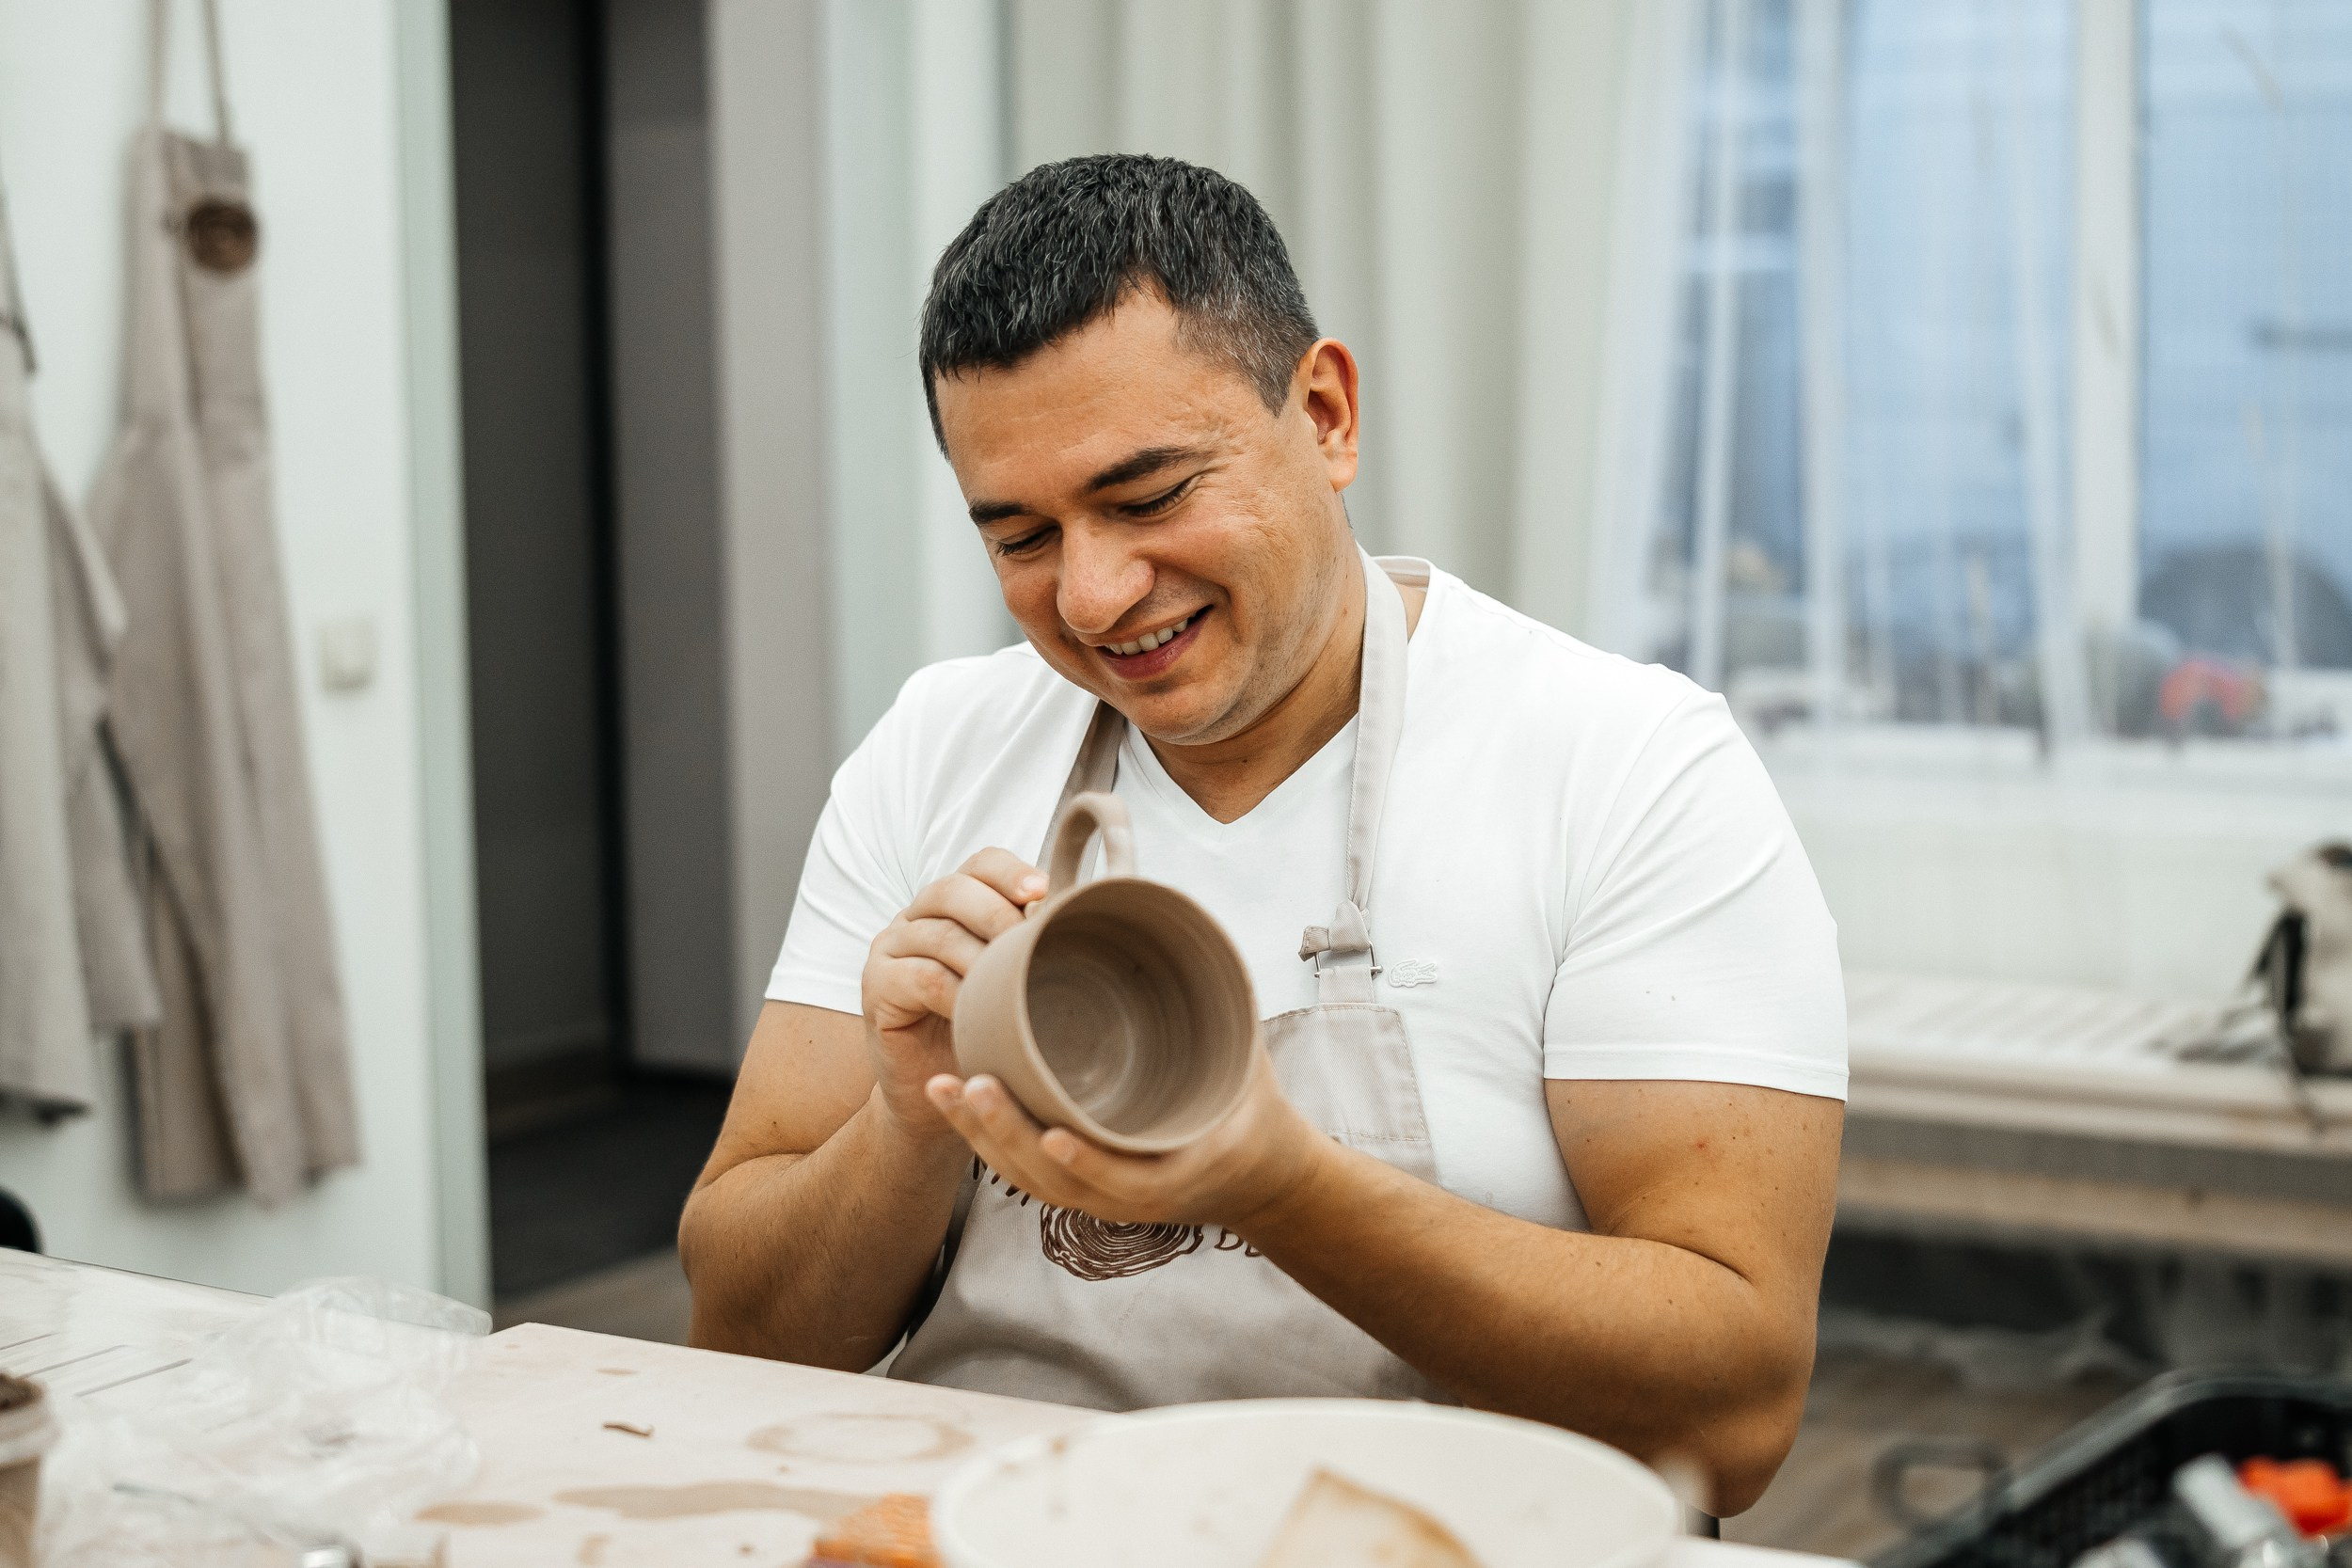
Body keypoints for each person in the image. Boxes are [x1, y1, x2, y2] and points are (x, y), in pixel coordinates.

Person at [679, 154, 1846, 1516]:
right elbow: (738, 1339)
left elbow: (1737, 1411)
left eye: (1150, 495)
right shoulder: (940, 747)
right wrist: (906, 1120)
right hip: (1000, 1520)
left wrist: (1284, 1186)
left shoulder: (1625, 767)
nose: (1098, 597)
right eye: (1022, 539)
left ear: (1329, 414)